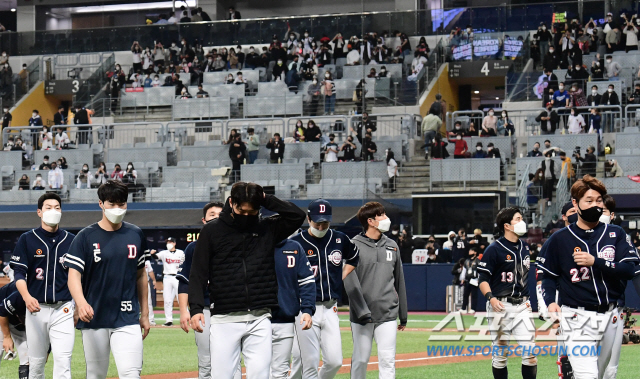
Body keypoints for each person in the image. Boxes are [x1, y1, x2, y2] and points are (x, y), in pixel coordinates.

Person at [188, 182, 306, 379]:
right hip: (224, 318)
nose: (248, 216)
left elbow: (297, 216)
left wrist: (266, 198)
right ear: (232, 203)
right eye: (243, 211)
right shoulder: (211, 231)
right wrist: (196, 308)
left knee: (261, 376)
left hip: (260, 316)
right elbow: (198, 272)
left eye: (253, 212)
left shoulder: (267, 228)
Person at [538, 176, 637, 379]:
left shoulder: (616, 233)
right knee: (587, 375)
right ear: (576, 203)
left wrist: (596, 262)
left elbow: (628, 269)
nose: (595, 205)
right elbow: (547, 276)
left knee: (605, 374)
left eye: (599, 200)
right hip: (577, 317)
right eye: (589, 200)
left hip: (611, 315)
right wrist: (549, 302)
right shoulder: (559, 239)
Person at [66, 181, 150, 378]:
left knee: (131, 373)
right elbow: (73, 275)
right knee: (96, 374)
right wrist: (81, 303)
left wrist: (145, 313)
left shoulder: (136, 234)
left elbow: (141, 275)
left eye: (122, 204)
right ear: (101, 204)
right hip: (94, 316)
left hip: (127, 317)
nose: (117, 208)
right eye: (112, 204)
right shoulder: (85, 237)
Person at [289, 199, 359, 379]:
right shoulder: (296, 242)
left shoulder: (339, 238)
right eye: (317, 222)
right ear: (308, 218)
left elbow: (354, 257)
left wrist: (340, 276)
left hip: (330, 308)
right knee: (308, 362)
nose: (321, 227)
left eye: (325, 223)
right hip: (305, 308)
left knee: (335, 361)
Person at [9, 193, 75, 379]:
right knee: (36, 364)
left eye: (57, 207)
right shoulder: (27, 239)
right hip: (36, 309)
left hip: (64, 308)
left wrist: (78, 304)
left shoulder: (71, 240)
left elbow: (78, 277)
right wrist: (27, 297)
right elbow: (19, 274)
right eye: (48, 207)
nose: (53, 211)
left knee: (63, 361)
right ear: (39, 212)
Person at [344, 202, 407, 379]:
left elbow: (399, 279)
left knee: (387, 361)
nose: (386, 218)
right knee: (360, 360)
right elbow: (349, 280)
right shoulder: (353, 246)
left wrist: (403, 314)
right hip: (361, 316)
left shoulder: (392, 245)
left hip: (387, 313)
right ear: (371, 221)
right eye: (382, 215)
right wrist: (361, 310)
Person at [478, 207, 537, 379]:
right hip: (501, 306)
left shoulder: (525, 247)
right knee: (501, 356)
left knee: (530, 354)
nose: (522, 222)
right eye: (517, 219)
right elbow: (482, 279)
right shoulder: (494, 249)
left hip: (523, 305)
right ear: (507, 226)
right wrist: (491, 298)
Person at [176, 202, 224, 379]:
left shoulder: (236, 244)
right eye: (212, 214)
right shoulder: (193, 248)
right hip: (204, 309)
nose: (217, 217)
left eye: (221, 214)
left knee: (231, 360)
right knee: (206, 360)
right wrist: (183, 311)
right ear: (204, 220)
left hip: (230, 309)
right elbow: (184, 282)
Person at [149, 237, 184, 327]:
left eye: (170, 242)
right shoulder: (164, 253)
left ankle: (186, 317)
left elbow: (184, 263)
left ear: (174, 243)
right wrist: (153, 254)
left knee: (182, 299)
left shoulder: (180, 253)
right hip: (167, 277)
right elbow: (157, 256)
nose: (169, 243)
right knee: (167, 300)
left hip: (177, 277)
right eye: (168, 242)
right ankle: (169, 320)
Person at [0, 279, 28, 378]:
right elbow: (2, 311)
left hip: (19, 323)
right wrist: (7, 336)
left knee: (28, 359)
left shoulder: (47, 300)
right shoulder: (21, 294)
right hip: (3, 318)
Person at [461, 246, 480, 314]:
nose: (469, 252)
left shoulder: (478, 261)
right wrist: (462, 278)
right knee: (465, 294)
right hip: (467, 280)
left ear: (475, 252)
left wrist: (479, 279)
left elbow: (480, 271)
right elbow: (464, 270)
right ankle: (463, 308)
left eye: (471, 251)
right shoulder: (467, 261)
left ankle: (473, 308)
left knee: (474, 295)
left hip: (474, 280)